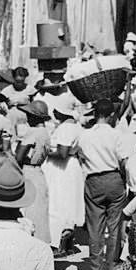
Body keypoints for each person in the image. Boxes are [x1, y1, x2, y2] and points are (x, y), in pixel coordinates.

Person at [78, 99, 129, 270]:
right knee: (114, 225)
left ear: (94, 113)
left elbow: (80, 157)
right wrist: (124, 179)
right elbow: (123, 161)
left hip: (93, 180)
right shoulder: (117, 135)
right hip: (114, 178)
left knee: (94, 227)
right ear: (111, 115)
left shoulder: (84, 135)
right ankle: (112, 266)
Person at [45, 93, 84, 255]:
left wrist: (47, 152)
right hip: (70, 166)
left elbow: (62, 152)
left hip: (61, 168)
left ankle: (57, 243)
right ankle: (67, 241)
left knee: (57, 204)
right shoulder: (76, 127)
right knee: (68, 203)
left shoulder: (65, 128)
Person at [13, 98, 52, 244]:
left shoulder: (32, 132)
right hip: (38, 173)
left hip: (28, 172)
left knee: (28, 214)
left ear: (35, 117)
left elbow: (19, 156)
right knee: (39, 213)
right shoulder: (45, 132)